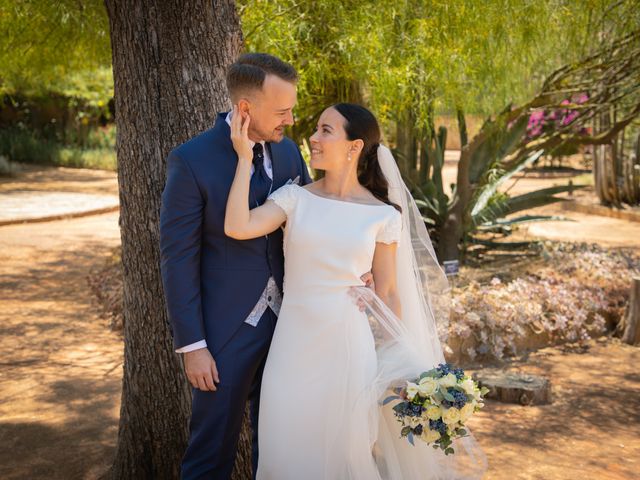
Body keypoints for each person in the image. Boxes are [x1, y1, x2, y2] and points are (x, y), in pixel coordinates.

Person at [225, 103, 486, 479]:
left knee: (345, 458)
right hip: (291, 350)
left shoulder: (383, 216)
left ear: (354, 146)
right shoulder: (294, 198)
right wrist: (243, 159)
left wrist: (403, 363)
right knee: (283, 452)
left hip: (349, 351)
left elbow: (391, 294)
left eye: (325, 130)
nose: (312, 138)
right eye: (315, 129)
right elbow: (237, 226)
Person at [159, 53, 314, 479]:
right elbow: (178, 258)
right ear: (245, 108)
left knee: (281, 448)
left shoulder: (289, 154)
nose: (291, 119)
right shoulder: (192, 160)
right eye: (282, 111)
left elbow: (306, 225)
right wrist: (193, 346)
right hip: (223, 335)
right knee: (210, 455)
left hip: (289, 329)